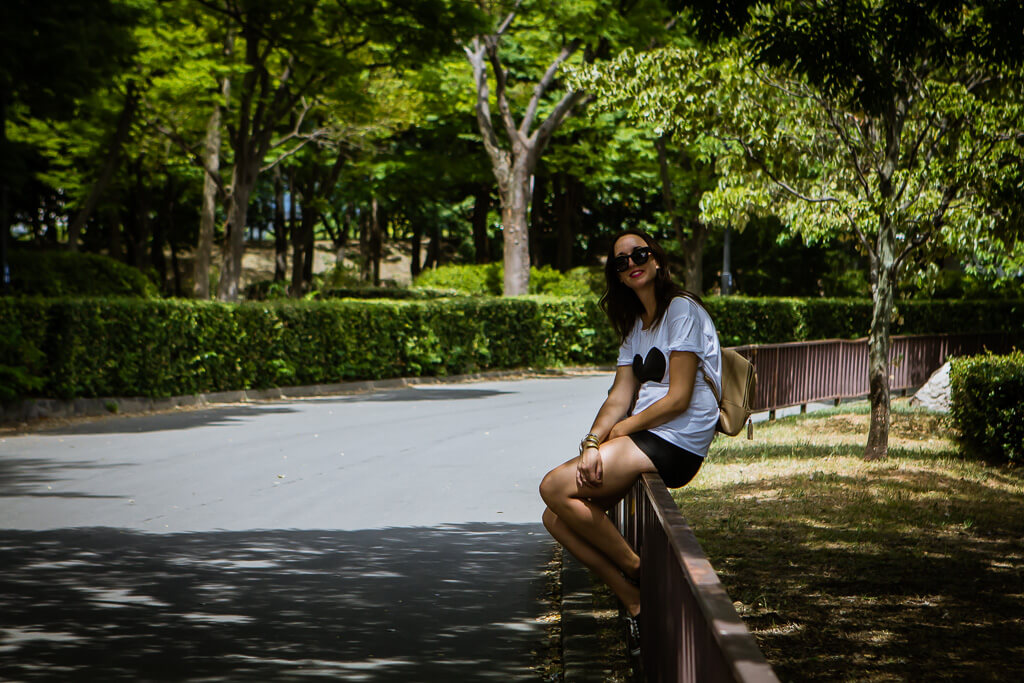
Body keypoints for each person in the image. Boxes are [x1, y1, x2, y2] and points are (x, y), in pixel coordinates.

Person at [538, 228, 722, 656]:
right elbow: (618, 396)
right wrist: (591, 442)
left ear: (656, 260)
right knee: (554, 518)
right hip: (647, 433)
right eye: (621, 261)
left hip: (679, 438)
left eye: (639, 253)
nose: (631, 262)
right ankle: (634, 597)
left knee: (552, 487)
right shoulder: (636, 327)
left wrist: (621, 431)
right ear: (618, 276)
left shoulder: (682, 310)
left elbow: (677, 398)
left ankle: (637, 569)